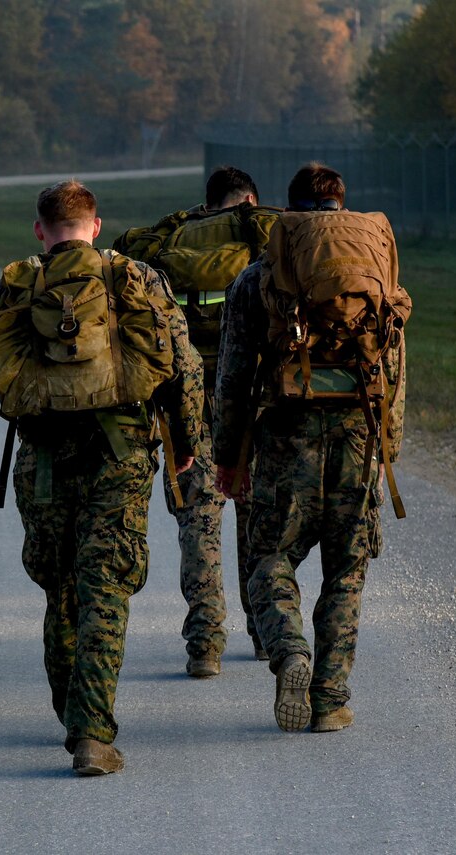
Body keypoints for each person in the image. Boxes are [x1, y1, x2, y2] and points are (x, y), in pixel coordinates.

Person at [0, 181, 207, 775]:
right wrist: (186, 443)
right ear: (95, 226)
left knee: (61, 585)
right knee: (106, 587)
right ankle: (93, 730)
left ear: (41, 230)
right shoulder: (137, 279)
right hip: (119, 454)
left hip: (41, 459)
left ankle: (73, 711)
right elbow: (183, 365)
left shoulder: (18, 283)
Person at [212, 163, 411, 733]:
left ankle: (289, 650)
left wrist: (228, 457)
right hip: (358, 434)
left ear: (291, 212)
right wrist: (386, 449)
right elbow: (394, 367)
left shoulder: (256, 279)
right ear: (343, 208)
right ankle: (329, 698)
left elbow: (231, 376)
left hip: (285, 436)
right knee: (346, 569)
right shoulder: (376, 276)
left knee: (271, 557)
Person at [115, 166, 281, 676]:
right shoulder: (268, 235)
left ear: (207, 203)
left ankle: (205, 643)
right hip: (252, 397)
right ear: (250, 199)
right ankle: (263, 631)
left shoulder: (170, 236)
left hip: (181, 401)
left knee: (199, 521)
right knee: (258, 517)